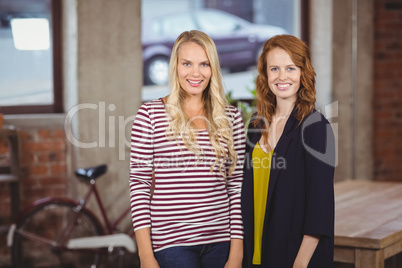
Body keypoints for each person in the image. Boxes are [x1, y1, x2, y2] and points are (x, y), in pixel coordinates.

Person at [129, 30, 246, 268]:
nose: (196, 73)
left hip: (221, 243)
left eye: (204, 64)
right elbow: (140, 185)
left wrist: (236, 253)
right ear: (175, 66)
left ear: (213, 68)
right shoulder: (150, 114)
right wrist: (145, 256)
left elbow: (235, 188)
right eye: (187, 63)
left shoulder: (231, 117)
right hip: (172, 244)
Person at [241, 35, 336, 268]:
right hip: (254, 252)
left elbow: (320, 206)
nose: (282, 76)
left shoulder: (315, 126)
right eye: (274, 68)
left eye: (290, 68)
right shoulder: (256, 124)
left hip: (293, 256)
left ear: (303, 73)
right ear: (265, 74)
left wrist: (300, 263)